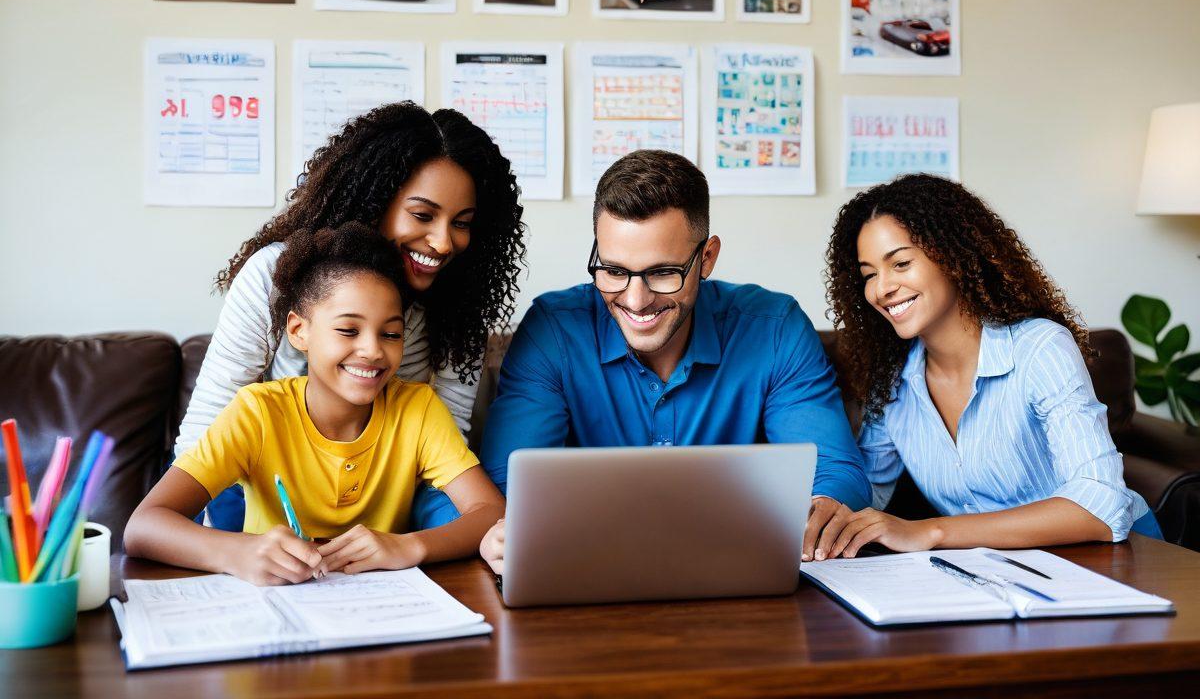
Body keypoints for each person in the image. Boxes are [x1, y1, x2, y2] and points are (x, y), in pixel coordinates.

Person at [476, 150, 870, 573]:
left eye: (663, 273)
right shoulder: (552, 332)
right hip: (590, 575)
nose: (636, 300)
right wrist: (505, 533)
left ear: (707, 258)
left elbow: (835, 471)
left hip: (733, 578)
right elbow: (506, 483)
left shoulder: (775, 328)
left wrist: (823, 509)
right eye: (614, 271)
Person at [176, 102, 525, 531]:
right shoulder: (274, 276)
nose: (442, 243)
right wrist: (218, 543)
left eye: (462, 223)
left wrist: (415, 540)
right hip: (270, 487)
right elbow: (208, 427)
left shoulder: (458, 301)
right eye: (422, 215)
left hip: (385, 493)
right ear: (376, 201)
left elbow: (447, 440)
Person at [126, 224, 505, 584]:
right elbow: (144, 526)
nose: (373, 350)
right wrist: (240, 552)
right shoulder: (257, 412)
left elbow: (491, 511)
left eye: (391, 334)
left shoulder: (417, 410)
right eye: (348, 330)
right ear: (298, 331)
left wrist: (409, 546)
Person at [818, 173, 1159, 560]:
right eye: (869, 275)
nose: (882, 289)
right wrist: (815, 519)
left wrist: (930, 531)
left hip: (1117, 558)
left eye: (900, 263)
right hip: (997, 570)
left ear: (953, 256)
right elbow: (867, 491)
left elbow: (1101, 504)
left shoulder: (1040, 348)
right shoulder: (892, 380)